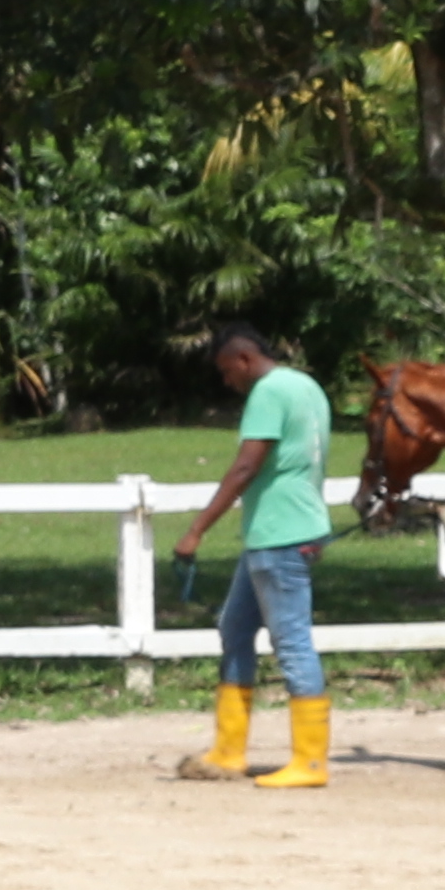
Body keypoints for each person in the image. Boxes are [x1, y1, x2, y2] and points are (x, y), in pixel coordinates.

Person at [171, 316, 340, 790]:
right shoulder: (306, 386)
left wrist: (196, 530)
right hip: (288, 527)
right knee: (235, 627)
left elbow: (247, 465)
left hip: (278, 532)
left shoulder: (267, 393)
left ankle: (309, 762)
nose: (228, 381)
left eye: (228, 371)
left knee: (291, 640)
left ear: (245, 359)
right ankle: (228, 750)